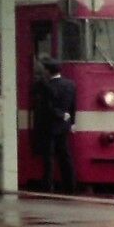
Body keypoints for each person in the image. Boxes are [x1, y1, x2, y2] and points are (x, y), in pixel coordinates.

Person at [38, 60, 77, 193]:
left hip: (49, 125)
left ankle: (47, 185)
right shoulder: (71, 85)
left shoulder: (46, 86)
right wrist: (71, 122)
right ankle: (70, 185)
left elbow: (47, 107)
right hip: (64, 125)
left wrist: (60, 115)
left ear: (48, 71)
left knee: (48, 157)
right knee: (65, 156)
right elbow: (73, 106)